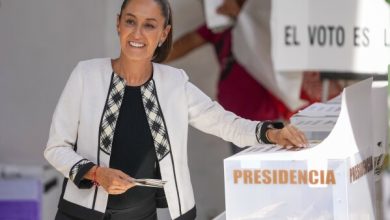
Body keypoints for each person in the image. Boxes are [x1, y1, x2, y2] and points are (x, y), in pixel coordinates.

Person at [44, 0, 308, 219]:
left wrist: (270, 133)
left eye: (149, 25)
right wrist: (96, 173)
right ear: (118, 24)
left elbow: (223, 123)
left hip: (142, 215)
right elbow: (56, 148)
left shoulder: (174, 83)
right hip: (80, 214)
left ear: (164, 34)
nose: (137, 33)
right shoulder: (86, 75)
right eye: (130, 21)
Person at [165, 0, 286, 154]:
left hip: (267, 115)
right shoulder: (218, 27)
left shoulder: (263, 20)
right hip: (233, 120)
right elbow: (187, 42)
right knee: (242, 174)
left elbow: (271, 46)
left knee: (269, 173)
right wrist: (148, 57)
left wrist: (242, 16)